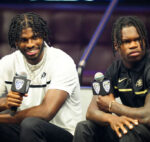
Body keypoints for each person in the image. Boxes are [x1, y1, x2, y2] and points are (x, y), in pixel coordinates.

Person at [0, 12, 82, 142]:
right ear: (16, 42)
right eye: (24, 40)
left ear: (43, 36)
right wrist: (3, 103)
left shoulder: (61, 61)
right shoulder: (7, 63)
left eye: (35, 37)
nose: (30, 44)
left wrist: (5, 118)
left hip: (63, 134)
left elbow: (46, 112)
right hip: (24, 130)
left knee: (31, 125)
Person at [73, 16, 150, 142]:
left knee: (128, 133)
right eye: (127, 41)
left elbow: (147, 116)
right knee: (84, 128)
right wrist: (112, 119)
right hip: (133, 127)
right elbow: (91, 112)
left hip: (145, 130)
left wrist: (112, 106)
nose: (134, 45)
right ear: (117, 46)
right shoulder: (115, 69)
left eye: (137, 39)